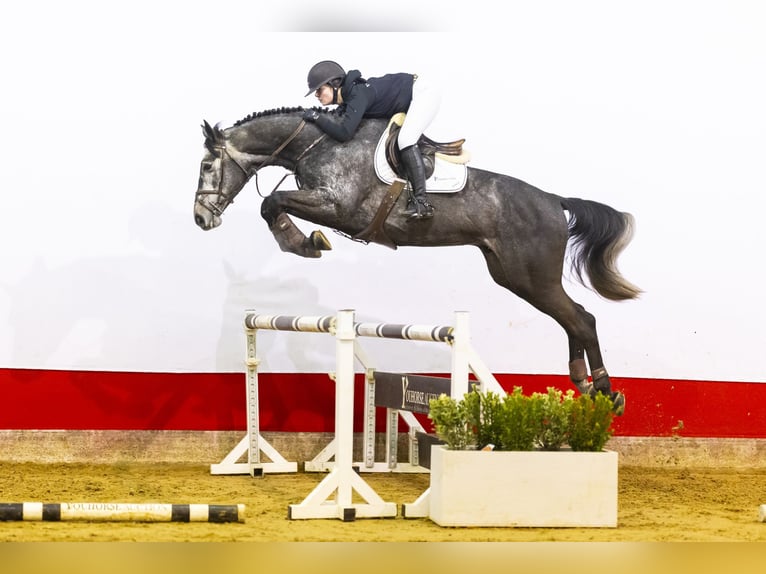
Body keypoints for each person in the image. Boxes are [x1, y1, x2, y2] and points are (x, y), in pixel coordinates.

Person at [302, 60, 440, 220]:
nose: (317, 95)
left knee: (406, 140)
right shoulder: (349, 98)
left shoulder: (357, 94)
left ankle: (422, 202)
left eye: (319, 90)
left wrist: (317, 117)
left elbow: (344, 133)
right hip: (411, 94)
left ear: (335, 84)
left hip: (424, 92)